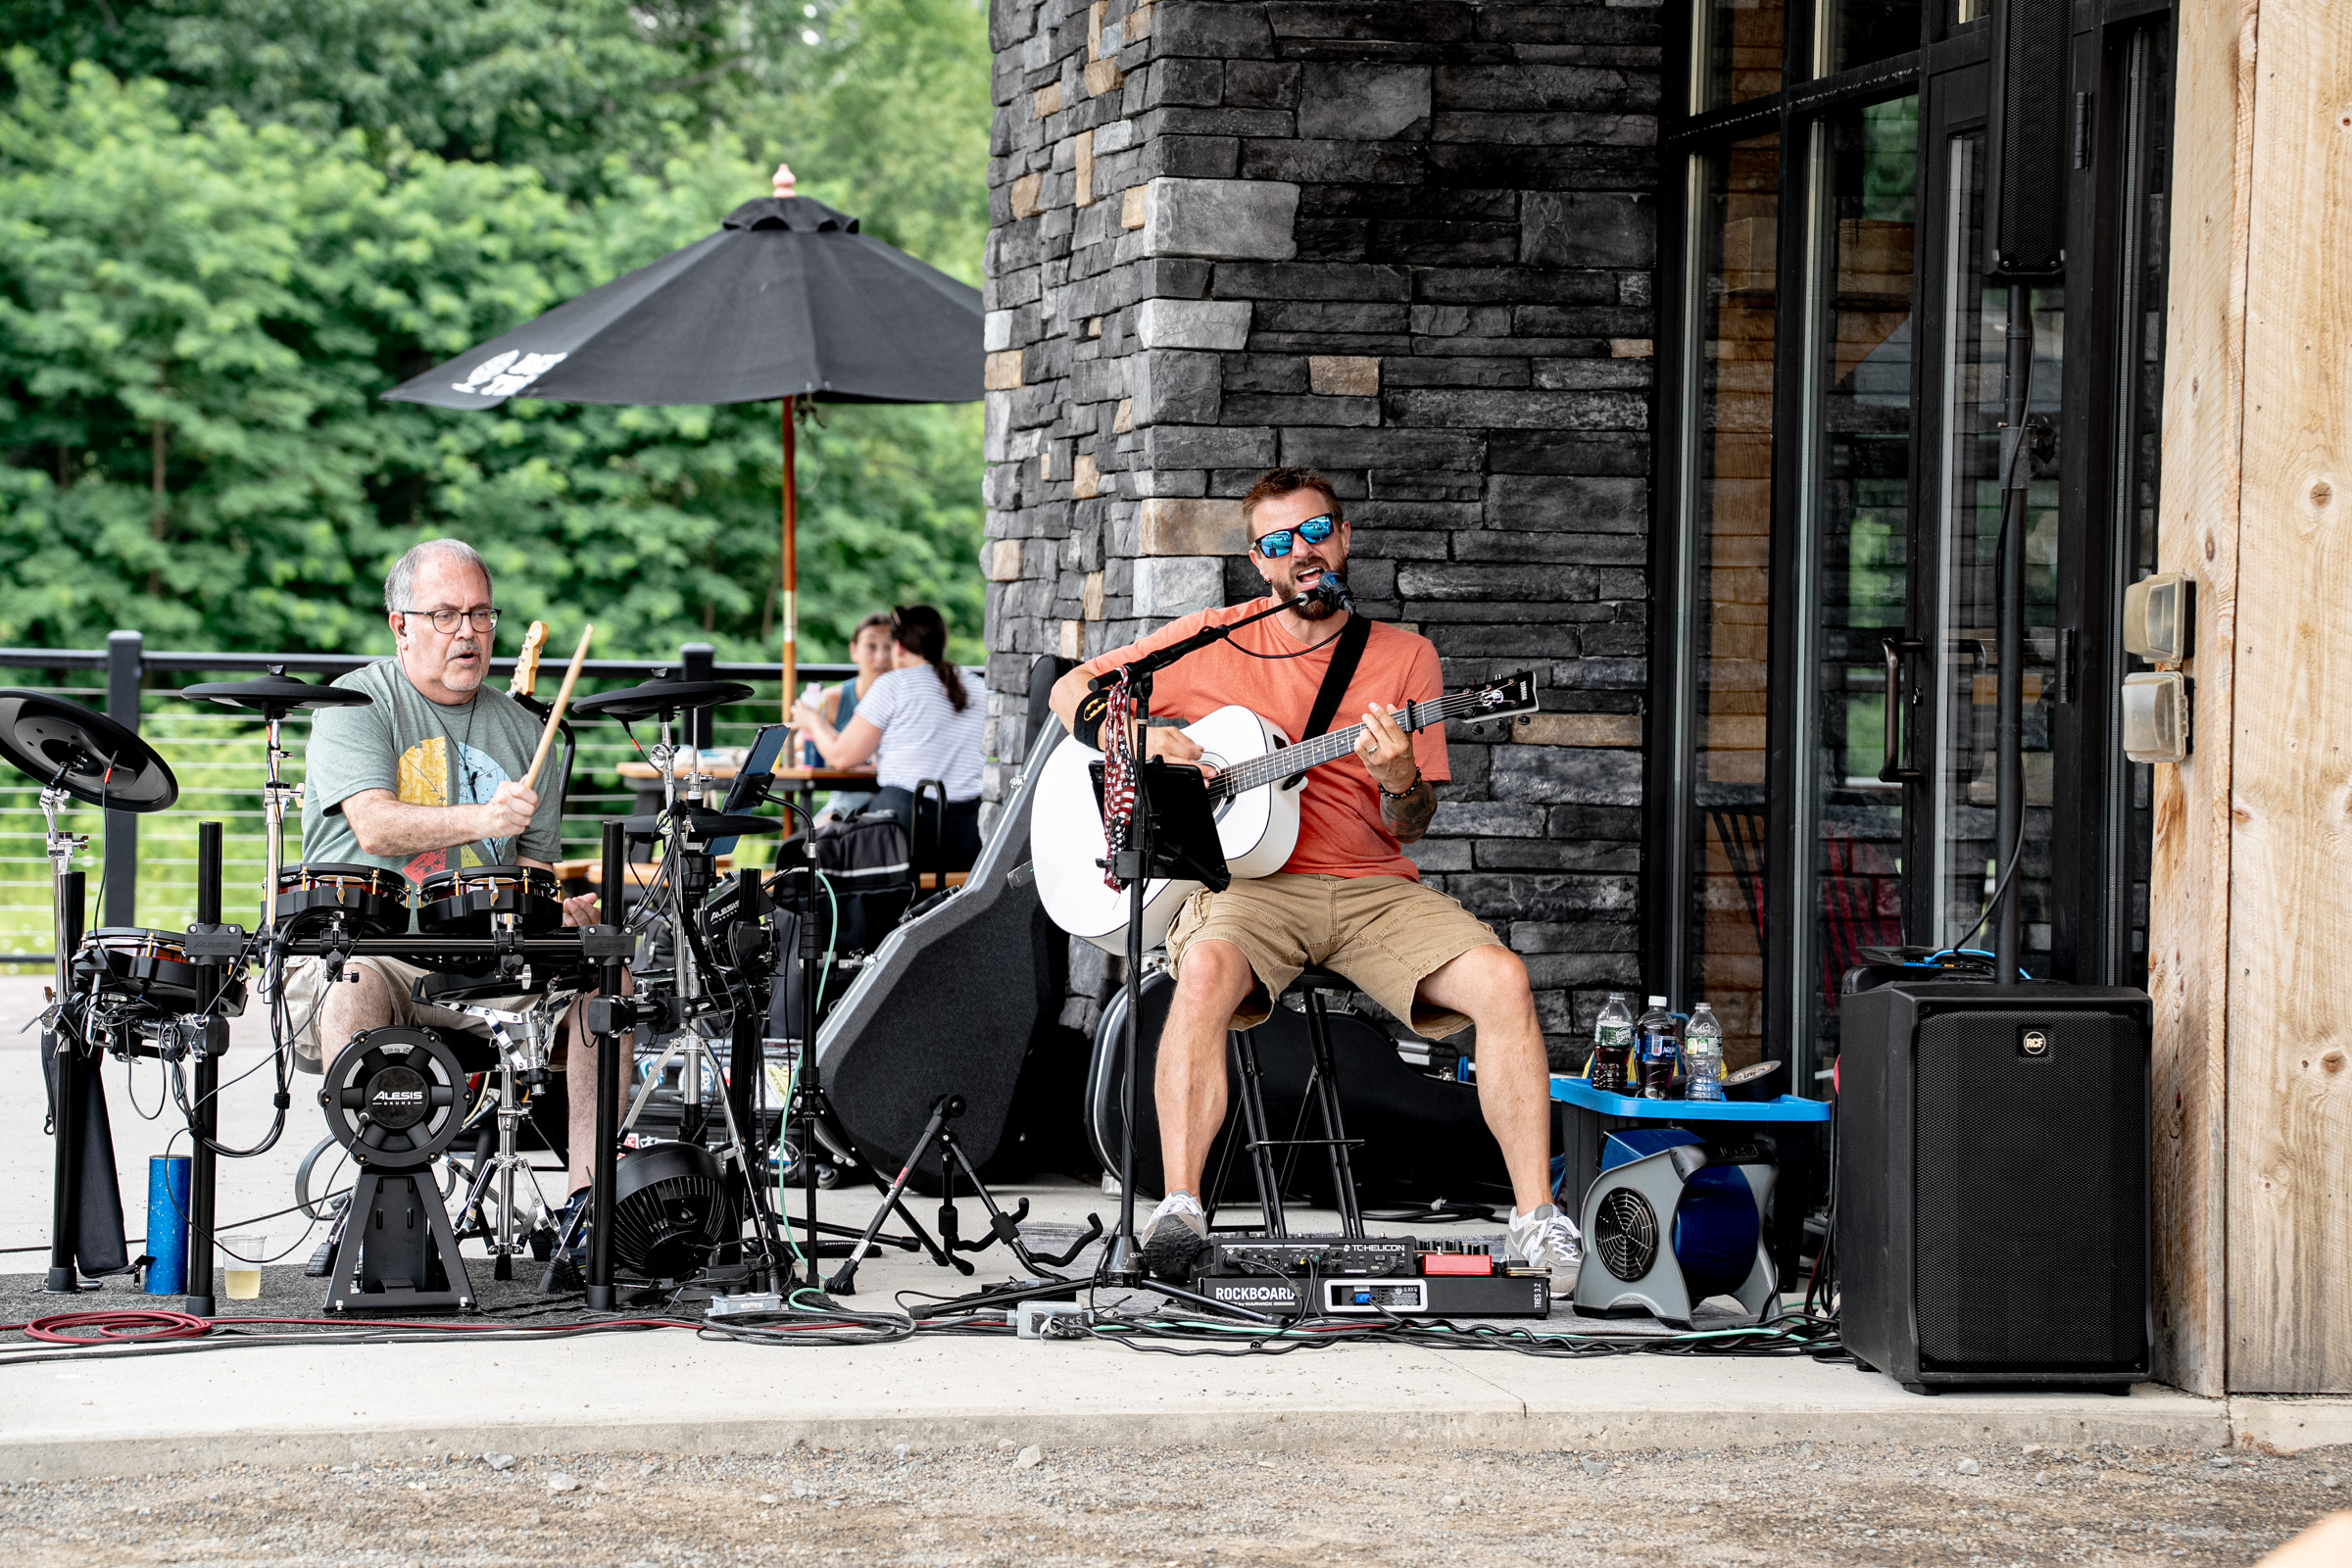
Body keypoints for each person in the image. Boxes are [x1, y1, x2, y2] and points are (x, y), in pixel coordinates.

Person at [1047, 467, 1582, 1287]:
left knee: (1503, 980)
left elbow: (1412, 822)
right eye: (1277, 541)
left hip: (1373, 888)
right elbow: (1071, 689)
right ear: (1258, 562)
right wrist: (1142, 738)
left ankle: (1535, 1221)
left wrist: (1400, 779)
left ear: (1344, 538)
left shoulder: (1405, 658)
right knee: (1203, 972)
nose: (1301, 551)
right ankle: (1180, 1210)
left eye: (1315, 531)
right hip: (1250, 889)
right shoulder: (1212, 639)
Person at [281, 538, 614, 1217]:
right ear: (400, 626)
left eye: (481, 614)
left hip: (484, 962)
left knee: (608, 982)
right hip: (374, 953)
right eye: (445, 615)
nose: (467, 631)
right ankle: (383, 1202)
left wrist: (556, 910)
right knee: (354, 981)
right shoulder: (355, 702)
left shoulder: (527, 732)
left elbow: (530, 873)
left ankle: (589, 1205)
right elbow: (375, 826)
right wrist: (482, 817)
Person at [792, 605, 986, 870]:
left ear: (899, 647)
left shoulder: (895, 684)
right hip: (968, 836)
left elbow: (841, 756)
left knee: (805, 849)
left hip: (904, 837)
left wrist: (813, 720)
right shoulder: (978, 686)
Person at [799, 612, 893, 822]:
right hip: (846, 803)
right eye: (871, 646)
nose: (881, 657)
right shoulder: (831, 699)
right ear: (854, 651)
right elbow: (799, 746)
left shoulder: (908, 698)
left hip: (895, 803)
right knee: (819, 832)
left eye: (889, 647)